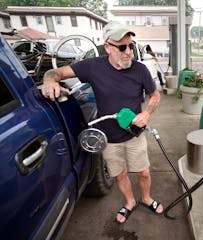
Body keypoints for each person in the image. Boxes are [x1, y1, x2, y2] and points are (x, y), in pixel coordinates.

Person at [41, 21, 163, 224]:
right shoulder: (92, 67)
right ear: (107, 47)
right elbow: (57, 73)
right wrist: (48, 80)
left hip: (134, 134)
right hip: (109, 137)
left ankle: (146, 198)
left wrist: (146, 114)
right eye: (122, 47)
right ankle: (130, 201)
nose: (128, 52)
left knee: (143, 171)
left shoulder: (140, 70)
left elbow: (155, 95)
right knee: (119, 173)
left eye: (130, 46)